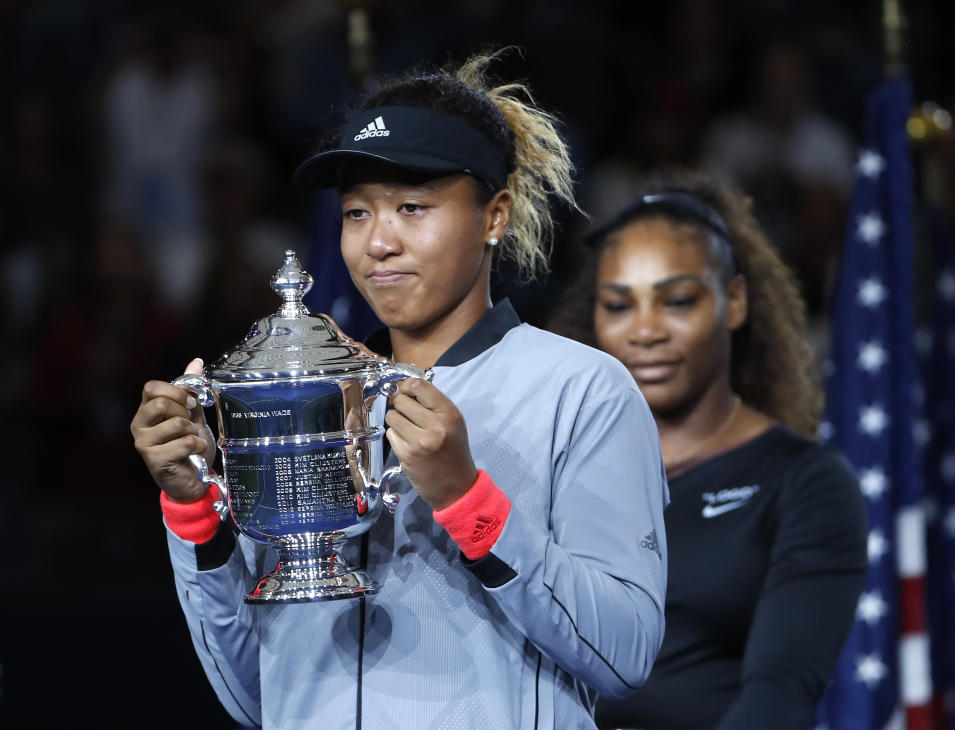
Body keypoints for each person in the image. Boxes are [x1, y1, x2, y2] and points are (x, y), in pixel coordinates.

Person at [130, 52, 669, 729]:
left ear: (494, 216)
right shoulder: (310, 404)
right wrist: (196, 511)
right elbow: (256, 696)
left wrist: (470, 502)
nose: (377, 242)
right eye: (357, 214)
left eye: (412, 208)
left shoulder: (582, 390)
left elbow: (625, 656)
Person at [549, 170, 867, 730]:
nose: (644, 331)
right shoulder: (556, 467)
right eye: (619, 306)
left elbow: (780, 693)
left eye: (676, 300)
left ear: (735, 301)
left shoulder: (806, 482)